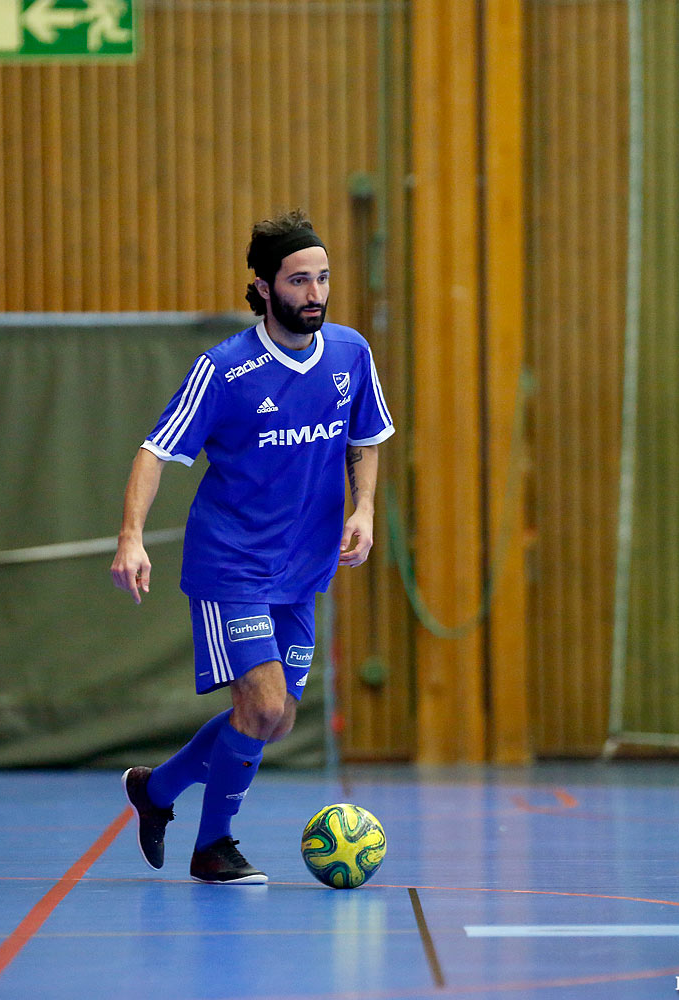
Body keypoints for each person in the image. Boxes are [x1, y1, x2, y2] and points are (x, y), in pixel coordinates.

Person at [109, 210, 394, 884]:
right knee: (262, 707)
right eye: (299, 280)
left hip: (305, 569)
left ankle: (155, 792)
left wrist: (365, 509)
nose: (315, 293)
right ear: (265, 287)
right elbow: (155, 452)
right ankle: (214, 848)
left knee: (276, 718)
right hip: (231, 565)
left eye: (323, 278)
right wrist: (131, 538)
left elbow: (368, 438)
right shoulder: (225, 370)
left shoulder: (351, 355)